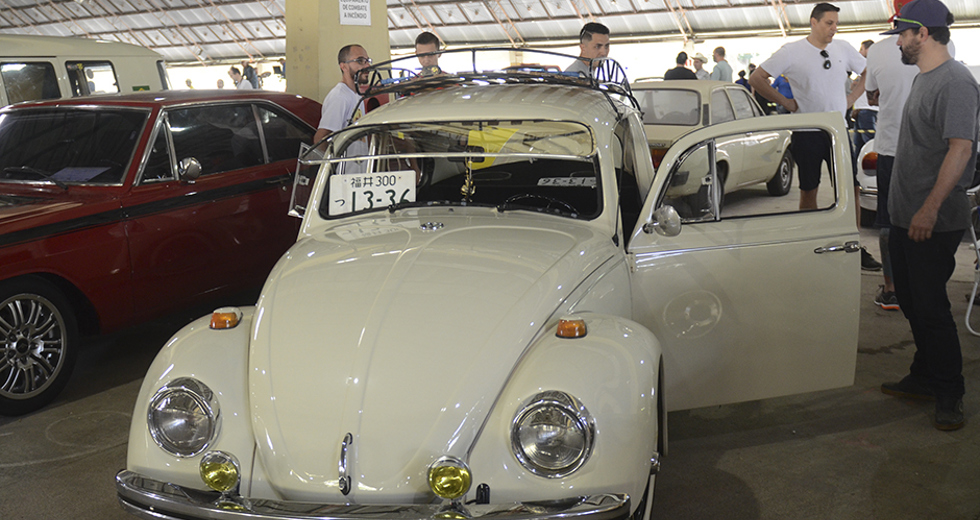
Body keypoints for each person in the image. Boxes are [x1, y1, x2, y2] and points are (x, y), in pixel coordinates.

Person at [878, 0, 979, 431]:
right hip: (907, 213)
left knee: (931, 307)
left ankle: (950, 392)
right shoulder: (924, 77)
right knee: (913, 302)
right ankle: (924, 375)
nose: (898, 42)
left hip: (932, 218)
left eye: (902, 34)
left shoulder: (955, 82)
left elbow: (961, 148)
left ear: (923, 33)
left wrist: (930, 208)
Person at [749, 2, 881, 270]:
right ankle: (808, 245)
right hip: (808, 131)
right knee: (809, 189)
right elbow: (757, 78)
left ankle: (854, 246)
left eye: (836, 24)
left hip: (837, 131)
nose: (834, 28)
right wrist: (786, 102)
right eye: (829, 23)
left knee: (851, 189)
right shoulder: (792, 51)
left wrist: (851, 98)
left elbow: (868, 71)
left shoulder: (843, 48)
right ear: (814, 22)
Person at [313, 44, 372, 145]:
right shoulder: (339, 97)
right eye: (360, 61)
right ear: (343, 66)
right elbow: (320, 139)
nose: (367, 66)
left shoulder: (357, 95)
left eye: (367, 60)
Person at [850, 40, 878, 154]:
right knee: (859, 143)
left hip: (867, 109)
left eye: (861, 49)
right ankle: (857, 164)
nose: (859, 52)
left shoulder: (872, 66)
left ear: (868, 49)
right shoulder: (864, 68)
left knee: (869, 141)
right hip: (861, 110)